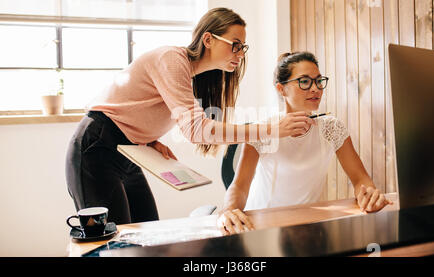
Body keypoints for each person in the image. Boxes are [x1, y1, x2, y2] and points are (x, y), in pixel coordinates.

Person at [65, 8, 314, 225]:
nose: (240, 53)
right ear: (208, 39)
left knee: (147, 233)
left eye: (243, 47)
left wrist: (148, 139)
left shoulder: (192, 76)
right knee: (112, 241)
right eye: (235, 44)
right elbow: (196, 130)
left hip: (129, 152)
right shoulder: (172, 59)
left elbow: (136, 106)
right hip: (96, 149)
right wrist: (269, 128)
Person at [217, 51, 393, 235]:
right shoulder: (263, 130)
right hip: (262, 223)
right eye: (305, 81)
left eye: (318, 81)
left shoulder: (332, 128)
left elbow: (361, 179)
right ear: (281, 89)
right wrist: (228, 210)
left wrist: (369, 194)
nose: (315, 88)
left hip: (308, 224)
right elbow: (239, 186)